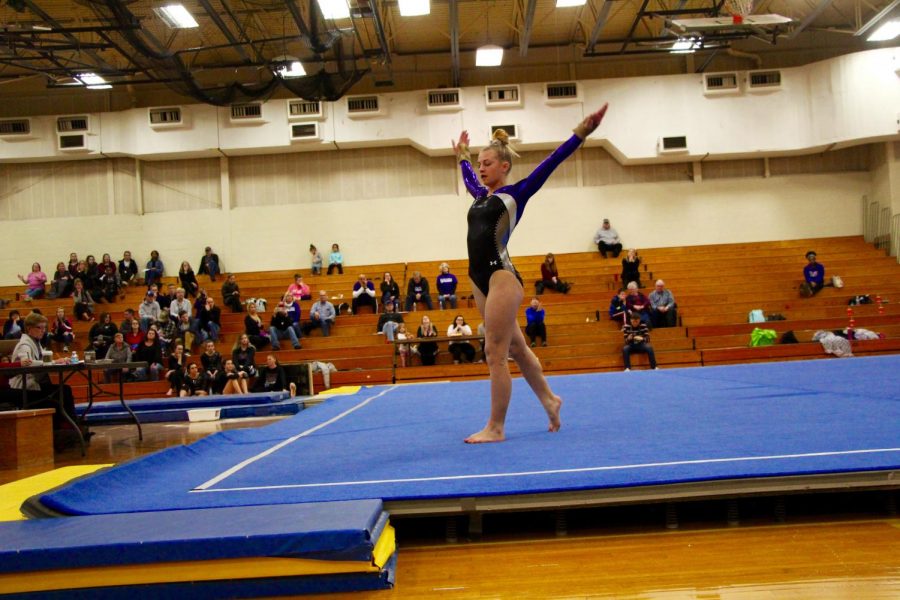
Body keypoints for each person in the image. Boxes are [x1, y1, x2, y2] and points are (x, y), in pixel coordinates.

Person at [452, 103, 607, 442]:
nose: (481, 169)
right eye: (480, 165)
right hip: (479, 279)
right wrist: (463, 155)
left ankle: (496, 427)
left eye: (487, 163)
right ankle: (550, 400)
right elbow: (467, 177)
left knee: (495, 352)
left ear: (504, 166)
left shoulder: (515, 193)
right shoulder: (479, 196)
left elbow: (551, 164)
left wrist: (580, 132)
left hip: (501, 277)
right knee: (518, 350)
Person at [8, 312, 78, 436]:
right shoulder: (24, 345)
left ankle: (72, 426)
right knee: (58, 398)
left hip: (34, 384)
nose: (43, 331)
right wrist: (54, 361)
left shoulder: (36, 342)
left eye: (44, 328)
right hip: (23, 388)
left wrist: (57, 361)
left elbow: (44, 360)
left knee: (65, 390)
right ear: (29, 329)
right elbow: (27, 363)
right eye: (39, 328)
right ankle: (59, 431)